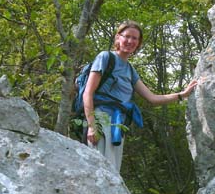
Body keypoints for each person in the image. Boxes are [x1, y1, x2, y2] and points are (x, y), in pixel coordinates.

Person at [82, 20, 198, 172]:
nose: (130, 41)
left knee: (112, 172)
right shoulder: (105, 58)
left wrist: (182, 95)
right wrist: (91, 127)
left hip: (118, 126)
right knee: (99, 171)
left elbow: (152, 98)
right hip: (100, 121)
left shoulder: (130, 70)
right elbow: (88, 93)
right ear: (118, 37)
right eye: (127, 36)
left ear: (138, 43)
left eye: (135, 38)